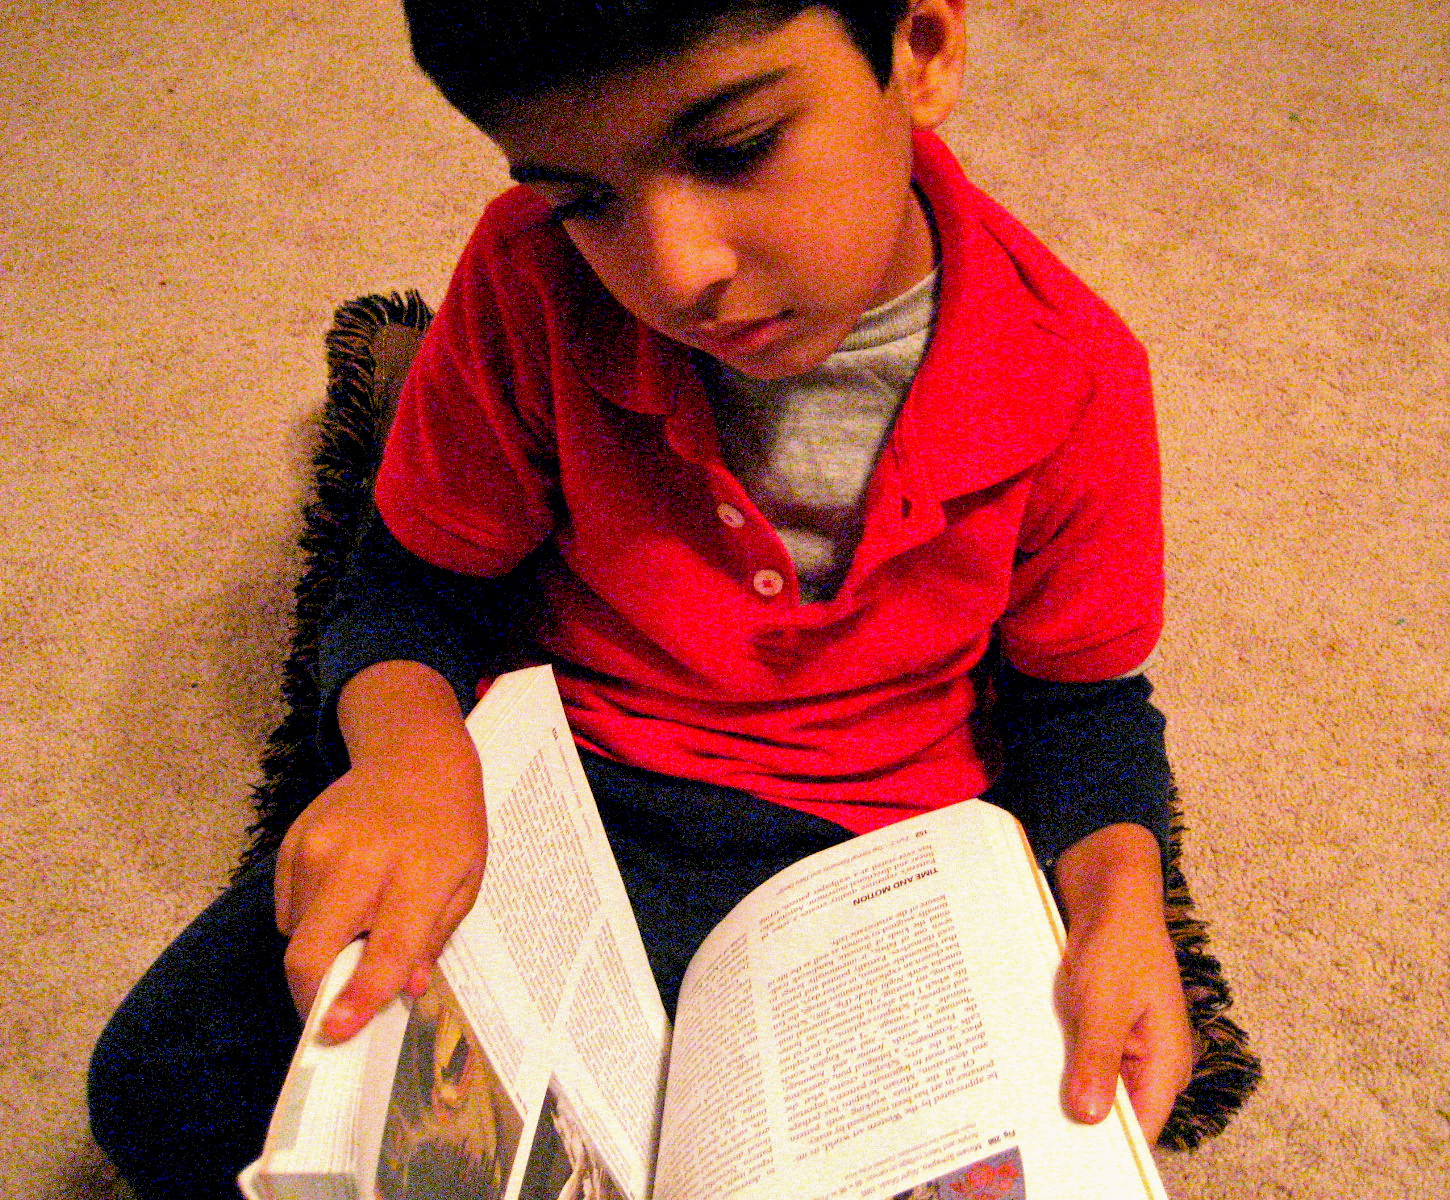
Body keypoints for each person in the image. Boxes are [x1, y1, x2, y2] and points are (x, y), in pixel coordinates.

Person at [88, 2, 1196, 1195]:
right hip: (561, 783)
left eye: (734, 150)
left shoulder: (1073, 373)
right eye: (583, 198)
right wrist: (409, 759)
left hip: (863, 856)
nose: (678, 274)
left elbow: (1080, 703)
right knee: (170, 1090)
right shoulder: (528, 284)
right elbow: (411, 580)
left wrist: (1123, 902)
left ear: (920, 50)